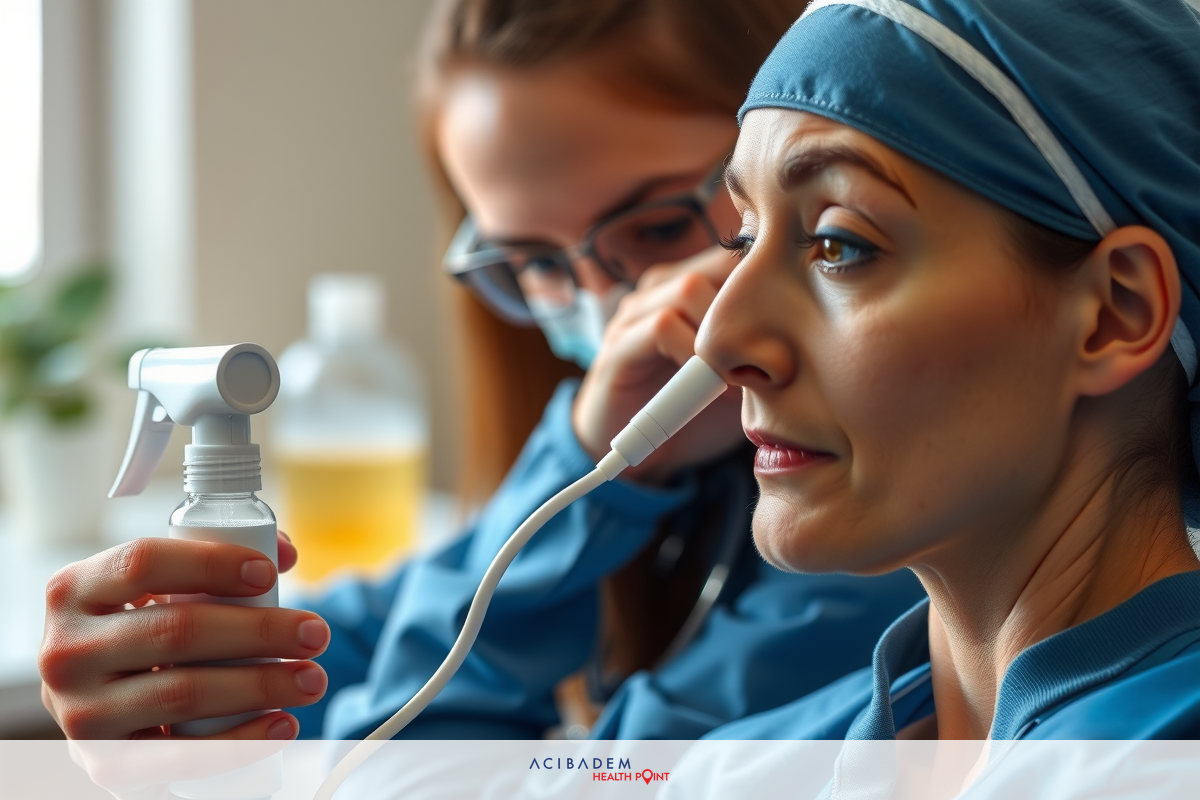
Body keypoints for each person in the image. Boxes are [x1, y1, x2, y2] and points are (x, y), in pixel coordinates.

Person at [36, 0, 925, 741]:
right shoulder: (671, 457)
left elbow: (412, 757)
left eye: (656, 229)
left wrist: (591, 475)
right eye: (534, 263)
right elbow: (374, 638)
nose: (604, 309)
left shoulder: (891, 518)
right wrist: (168, 670)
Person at [660, 0, 1200, 759]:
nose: (719, 339)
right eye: (741, 236)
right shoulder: (746, 763)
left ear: (1116, 313)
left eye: (838, 244)